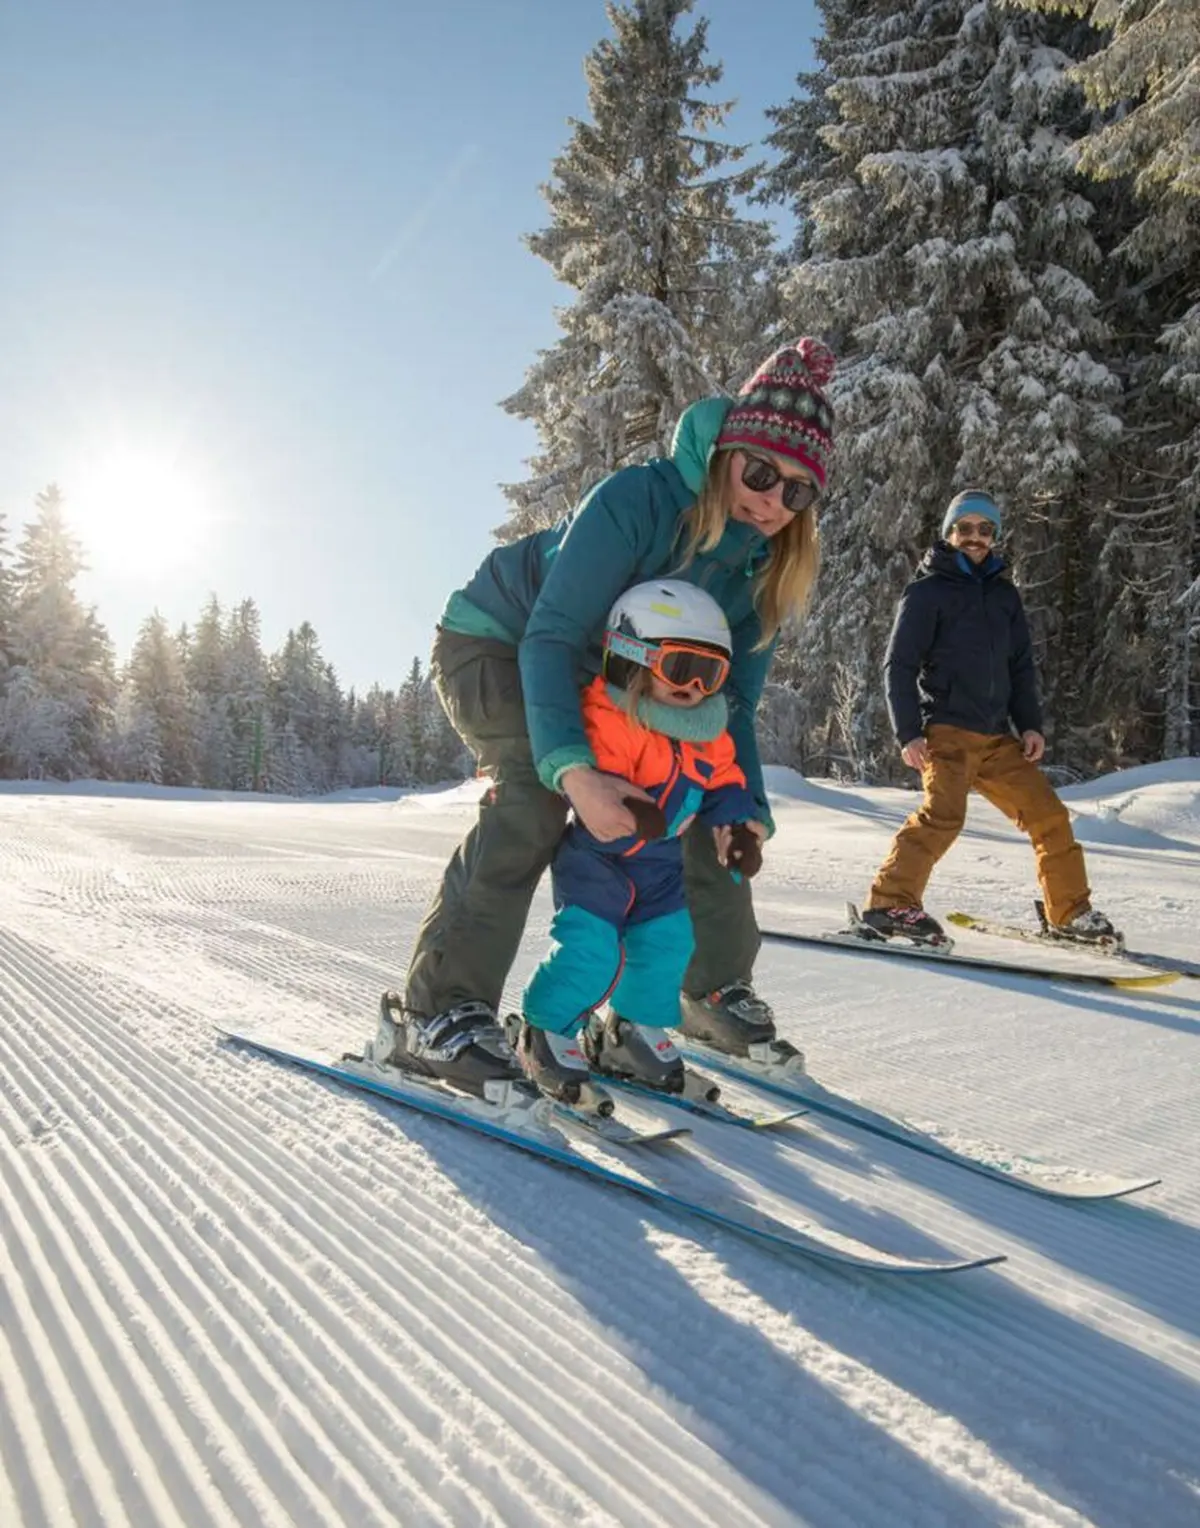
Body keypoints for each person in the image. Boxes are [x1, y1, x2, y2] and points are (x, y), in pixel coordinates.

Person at [375, 337, 835, 1097]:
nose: (772, 501)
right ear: (727, 450)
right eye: (760, 472)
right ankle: (439, 1014)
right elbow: (551, 636)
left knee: (701, 801)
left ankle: (695, 993)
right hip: (500, 641)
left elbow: (733, 707)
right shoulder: (639, 501)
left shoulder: (764, 573)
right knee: (538, 791)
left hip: (625, 682)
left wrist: (741, 808)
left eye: (798, 493)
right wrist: (576, 770)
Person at [514, 580, 764, 1107]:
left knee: (670, 945)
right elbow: (602, 773)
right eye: (680, 668)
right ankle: (544, 1032)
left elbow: (724, 783)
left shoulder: (705, 732)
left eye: (710, 674)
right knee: (591, 951)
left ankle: (630, 1033)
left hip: (661, 866)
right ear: (634, 658)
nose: (694, 686)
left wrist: (738, 828)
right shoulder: (612, 714)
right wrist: (636, 809)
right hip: (598, 861)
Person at [861, 489, 1118, 945]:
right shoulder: (927, 591)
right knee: (943, 815)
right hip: (947, 731)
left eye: (984, 530)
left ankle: (1070, 913)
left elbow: (1019, 666)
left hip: (998, 738)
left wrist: (1031, 725)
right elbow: (898, 664)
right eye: (965, 528)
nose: (974, 537)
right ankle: (890, 903)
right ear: (949, 533)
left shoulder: (1004, 595)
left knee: (1049, 816)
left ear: (994, 536)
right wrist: (908, 732)